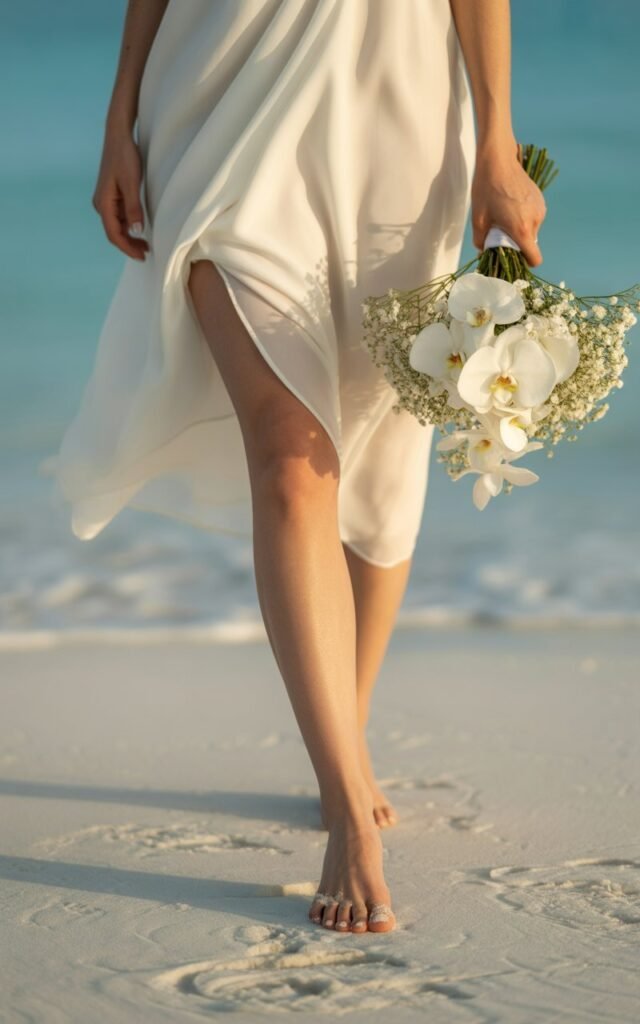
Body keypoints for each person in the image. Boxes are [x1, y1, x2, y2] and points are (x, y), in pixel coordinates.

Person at [51, 0, 546, 935]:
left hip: (395, 113)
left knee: (381, 443)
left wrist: (498, 139)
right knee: (288, 453)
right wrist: (119, 119)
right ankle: (348, 806)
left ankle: (342, 742)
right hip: (218, 104)